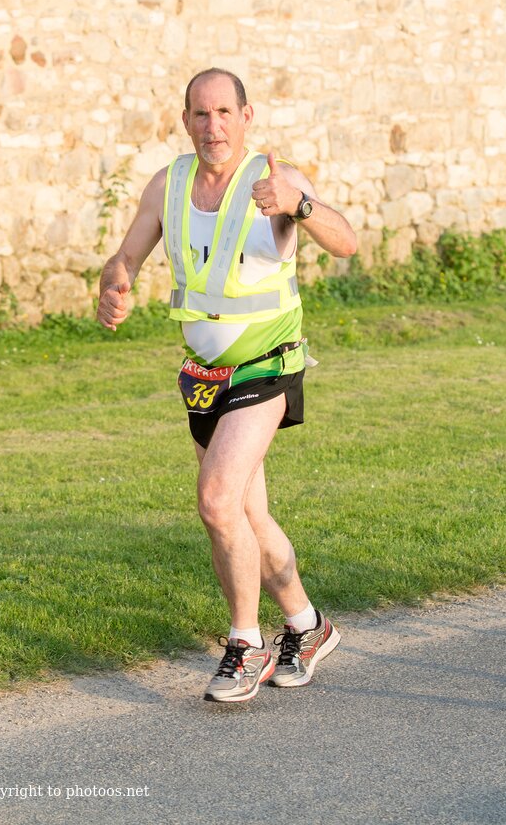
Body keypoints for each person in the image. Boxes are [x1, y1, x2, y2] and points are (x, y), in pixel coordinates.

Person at [97, 68, 357, 703]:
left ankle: (246, 644)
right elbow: (125, 257)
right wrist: (114, 282)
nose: (212, 126)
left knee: (217, 501)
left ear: (246, 117)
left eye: (223, 112)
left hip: (268, 363)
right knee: (247, 513)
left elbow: (346, 242)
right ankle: (307, 624)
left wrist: (299, 206)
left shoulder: (276, 179)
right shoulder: (170, 184)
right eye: (200, 114)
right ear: (186, 121)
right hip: (204, 373)